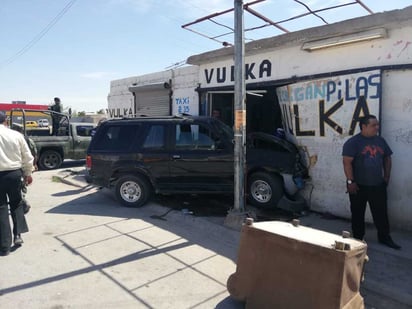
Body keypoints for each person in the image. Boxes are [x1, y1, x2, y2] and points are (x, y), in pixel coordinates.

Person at [342, 114, 401, 250]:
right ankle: (358, 238)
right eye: (374, 125)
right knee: (357, 213)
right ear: (364, 126)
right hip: (358, 185)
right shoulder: (353, 142)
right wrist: (350, 181)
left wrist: (386, 177)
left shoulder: (380, 141)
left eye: (377, 125)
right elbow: (347, 163)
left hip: (377, 185)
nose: (377, 127)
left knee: (381, 213)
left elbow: (387, 158)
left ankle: (385, 237)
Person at [0, 111, 34, 256]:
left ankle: (4, 246)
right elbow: (27, 156)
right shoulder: (16, 135)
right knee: (17, 204)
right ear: (6, 120)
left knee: (1, 208)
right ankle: (18, 236)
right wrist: (28, 173)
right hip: (14, 174)